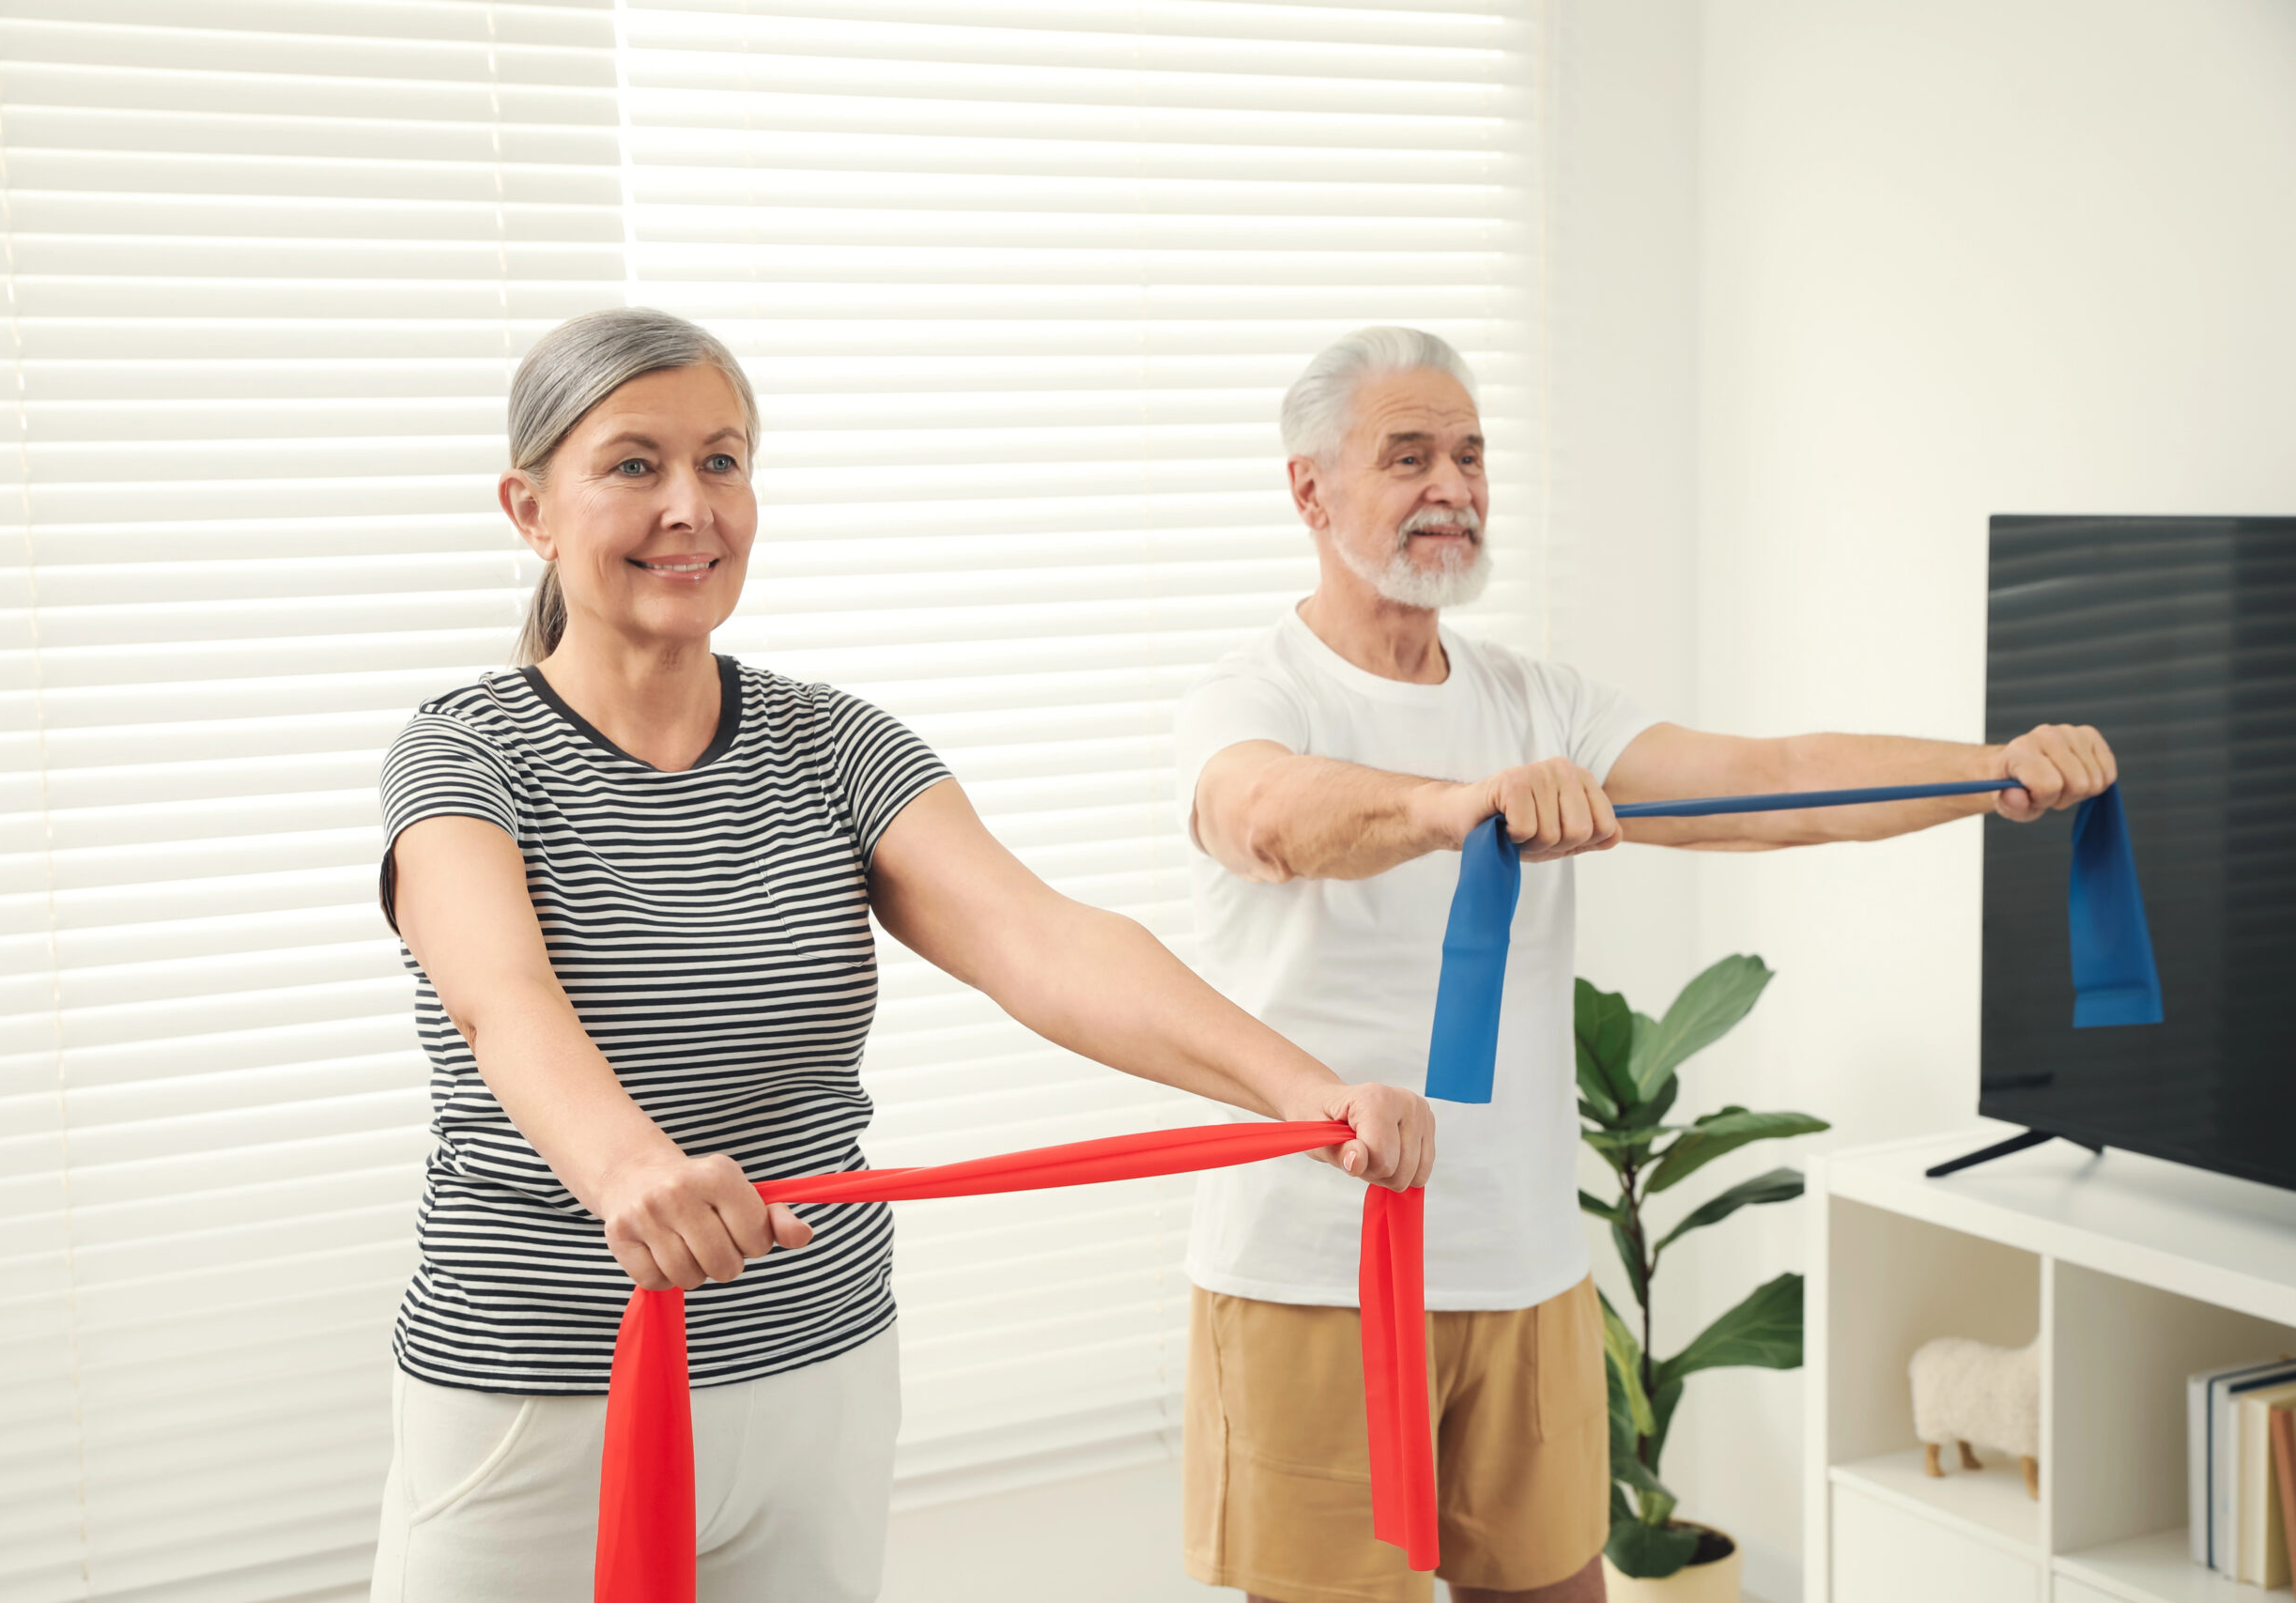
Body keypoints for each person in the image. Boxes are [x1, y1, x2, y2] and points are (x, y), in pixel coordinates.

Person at [364, 308, 1438, 1603]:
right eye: (634, 465)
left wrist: (1300, 1087)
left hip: (811, 1365)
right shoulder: (465, 758)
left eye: (723, 460)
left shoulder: (830, 743)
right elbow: (500, 999)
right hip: (542, 1387)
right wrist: (630, 1170)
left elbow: (1035, 937)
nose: (691, 505)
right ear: (530, 507)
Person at [1176, 326, 2117, 1603]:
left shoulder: (1538, 704)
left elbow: (1770, 781)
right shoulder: (1255, 694)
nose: (1452, 486)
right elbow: (1270, 817)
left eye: (1469, 454)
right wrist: (1454, 807)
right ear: (1310, 490)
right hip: (1315, 1278)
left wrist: (1988, 769)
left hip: (1524, 1267)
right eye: (1408, 457)